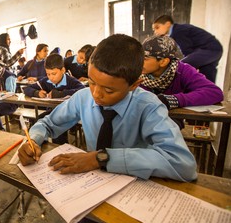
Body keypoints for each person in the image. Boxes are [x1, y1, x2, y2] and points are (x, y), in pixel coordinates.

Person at [18, 34, 197, 184]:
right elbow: (48, 124)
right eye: (92, 82)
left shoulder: (148, 106)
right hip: (92, 183)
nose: (96, 94)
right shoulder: (83, 97)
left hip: (133, 186)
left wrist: (101, 158)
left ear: (134, 84)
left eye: (109, 90)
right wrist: (33, 140)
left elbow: (183, 164)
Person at [140, 35, 224, 110]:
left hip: (171, 120)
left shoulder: (182, 71)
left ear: (163, 62)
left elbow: (215, 92)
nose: (139, 61)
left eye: (145, 58)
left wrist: (175, 100)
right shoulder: (136, 72)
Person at [23, 53, 85, 144]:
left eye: (54, 74)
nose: (51, 77)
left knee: (57, 123)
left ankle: (60, 147)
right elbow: (27, 89)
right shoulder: (45, 81)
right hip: (52, 111)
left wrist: (60, 94)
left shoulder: (71, 81)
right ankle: (38, 144)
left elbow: (83, 91)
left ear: (63, 70)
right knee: (39, 120)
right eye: (48, 74)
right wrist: (37, 93)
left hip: (68, 114)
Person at [152, 15, 223, 83]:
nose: (155, 31)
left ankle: (165, 87)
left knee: (180, 66)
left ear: (168, 24)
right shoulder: (178, 29)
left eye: (157, 27)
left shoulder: (178, 31)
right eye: (154, 29)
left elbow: (187, 51)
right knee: (208, 77)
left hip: (209, 49)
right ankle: (211, 94)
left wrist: (191, 63)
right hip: (215, 49)